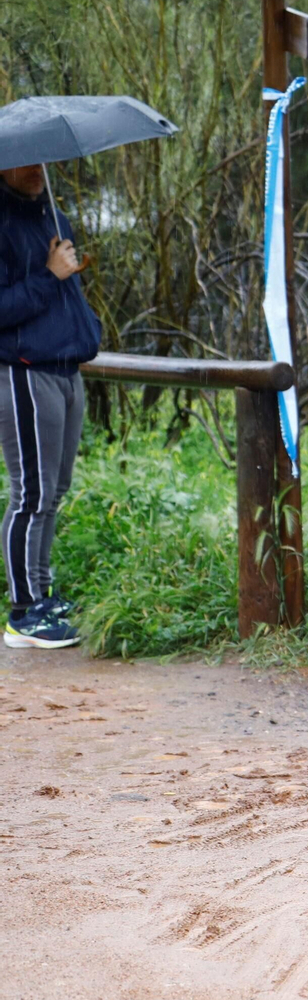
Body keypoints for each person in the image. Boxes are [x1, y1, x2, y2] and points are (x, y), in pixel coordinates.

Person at [0, 163, 102, 648]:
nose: (36, 168)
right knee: (31, 494)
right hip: (24, 370)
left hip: (66, 368)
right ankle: (24, 612)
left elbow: (63, 291)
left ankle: (42, 595)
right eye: (24, 161)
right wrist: (49, 275)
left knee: (53, 491)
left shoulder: (53, 216)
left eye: (41, 159)